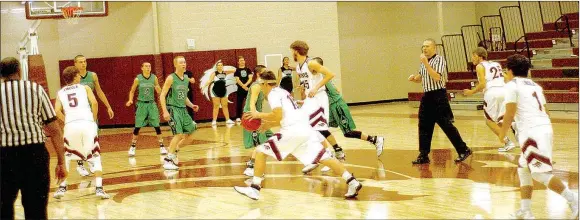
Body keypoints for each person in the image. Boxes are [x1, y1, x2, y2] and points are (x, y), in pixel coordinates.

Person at [233, 70, 362, 200]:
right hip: (305, 130)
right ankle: (352, 181)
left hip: (292, 132)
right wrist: (268, 125)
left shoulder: (273, 94)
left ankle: (254, 188)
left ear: (266, 83)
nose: (261, 88)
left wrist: (258, 115)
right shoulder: (283, 92)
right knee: (323, 157)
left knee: (261, 152)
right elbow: (283, 117)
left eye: (261, 85)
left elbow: (278, 114)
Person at [498, 54, 578, 219]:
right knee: (523, 168)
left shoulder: (511, 86)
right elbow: (546, 111)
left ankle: (573, 198)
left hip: (532, 133)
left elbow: (510, 113)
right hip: (543, 128)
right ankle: (525, 210)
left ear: (510, 70)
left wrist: (502, 132)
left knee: (539, 173)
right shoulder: (535, 86)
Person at [0, 57, 67, 219]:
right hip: (34, 155)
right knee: (36, 208)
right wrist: (61, 161)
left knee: (3, 209)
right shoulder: (35, 89)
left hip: (3, 157)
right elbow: (55, 130)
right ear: (19, 71)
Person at [302, 57, 385, 173]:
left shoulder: (323, 80)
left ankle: (375, 140)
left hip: (337, 106)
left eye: (311, 68)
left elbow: (335, 92)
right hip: (330, 107)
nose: (309, 69)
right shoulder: (317, 79)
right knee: (321, 130)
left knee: (347, 132)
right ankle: (330, 155)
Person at [408, 38, 472, 164]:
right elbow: (421, 77)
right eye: (423, 46)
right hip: (427, 96)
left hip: (438, 96)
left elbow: (437, 77)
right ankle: (424, 154)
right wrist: (414, 79)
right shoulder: (423, 61)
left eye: (427, 46)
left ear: (434, 48)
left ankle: (463, 149)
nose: (424, 49)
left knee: (446, 125)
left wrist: (426, 63)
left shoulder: (439, 60)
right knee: (424, 125)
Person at [53, 66, 110, 199]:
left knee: (66, 156)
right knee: (95, 155)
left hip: (70, 125)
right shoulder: (85, 88)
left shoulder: (60, 92)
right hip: (87, 123)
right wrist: (93, 119)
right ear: (75, 76)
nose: (80, 76)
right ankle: (99, 188)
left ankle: (62, 188)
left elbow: (56, 111)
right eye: (78, 75)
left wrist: (67, 120)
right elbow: (95, 103)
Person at [463, 47, 516, 152]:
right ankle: (521, 135)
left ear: (480, 56)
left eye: (474, 56)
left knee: (489, 121)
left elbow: (483, 84)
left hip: (492, 93)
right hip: (504, 91)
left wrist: (471, 92)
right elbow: (506, 78)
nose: (472, 58)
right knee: (502, 119)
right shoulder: (496, 64)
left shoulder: (479, 66)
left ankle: (507, 142)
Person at [73, 55, 114, 177]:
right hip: (79, 112)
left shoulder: (93, 76)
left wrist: (108, 106)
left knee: (93, 137)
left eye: (85, 61)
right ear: (75, 64)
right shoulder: (73, 76)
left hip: (91, 112)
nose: (83, 64)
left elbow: (99, 91)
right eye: (80, 62)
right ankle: (80, 165)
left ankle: (90, 161)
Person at [160, 56, 200, 170]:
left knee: (192, 133)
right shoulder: (171, 78)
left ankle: (175, 150)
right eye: (181, 62)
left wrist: (192, 105)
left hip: (183, 109)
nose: (184, 64)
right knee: (178, 134)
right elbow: (162, 95)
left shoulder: (186, 78)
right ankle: (168, 160)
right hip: (173, 108)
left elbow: (184, 96)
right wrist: (165, 111)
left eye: (184, 62)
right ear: (175, 65)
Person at [125, 62, 167, 156]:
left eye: (149, 66)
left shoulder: (154, 78)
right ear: (142, 68)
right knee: (138, 126)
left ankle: (162, 146)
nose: (148, 68)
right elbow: (132, 91)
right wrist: (130, 100)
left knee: (156, 125)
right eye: (146, 66)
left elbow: (158, 89)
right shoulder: (138, 79)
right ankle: (132, 147)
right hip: (141, 104)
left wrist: (162, 92)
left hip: (151, 104)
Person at [241, 65, 273, 177]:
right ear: (259, 74)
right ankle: (251, 166)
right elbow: (252, 102)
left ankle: (254, 164)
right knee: (260, 144)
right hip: (251, 117)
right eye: (265, 72)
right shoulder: (256, 86)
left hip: (257, 116)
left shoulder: (263, 86)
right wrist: (255, 115)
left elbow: (269, 99)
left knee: (271, 138)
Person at [202, 60, 235, 126]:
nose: (220, 66)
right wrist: (204, 86)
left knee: (225, 106)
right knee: (216, 106)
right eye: (218, 65)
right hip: (215, 91)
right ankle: (214, 120)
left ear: (223, 66)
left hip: (224, 91)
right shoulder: (214, 73)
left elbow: (234, 70)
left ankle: (228, 119)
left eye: (221, 65)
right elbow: (209, 81)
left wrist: (226, 70)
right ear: (216, 67)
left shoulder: (225, 73)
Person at [234, 56, 254, 123]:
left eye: (243, 60)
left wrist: (246, 85)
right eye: (241, 60)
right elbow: (237, 79)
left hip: (248, 88)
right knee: (239, 103)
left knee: (249, 102)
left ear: (244, 61)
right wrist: (243, 86)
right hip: (240, 89)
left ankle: (251, 115)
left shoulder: (248, 69)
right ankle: (238, 117)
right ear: (238, 62)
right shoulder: (237, 70)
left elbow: (250, 78)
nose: (242, 62)